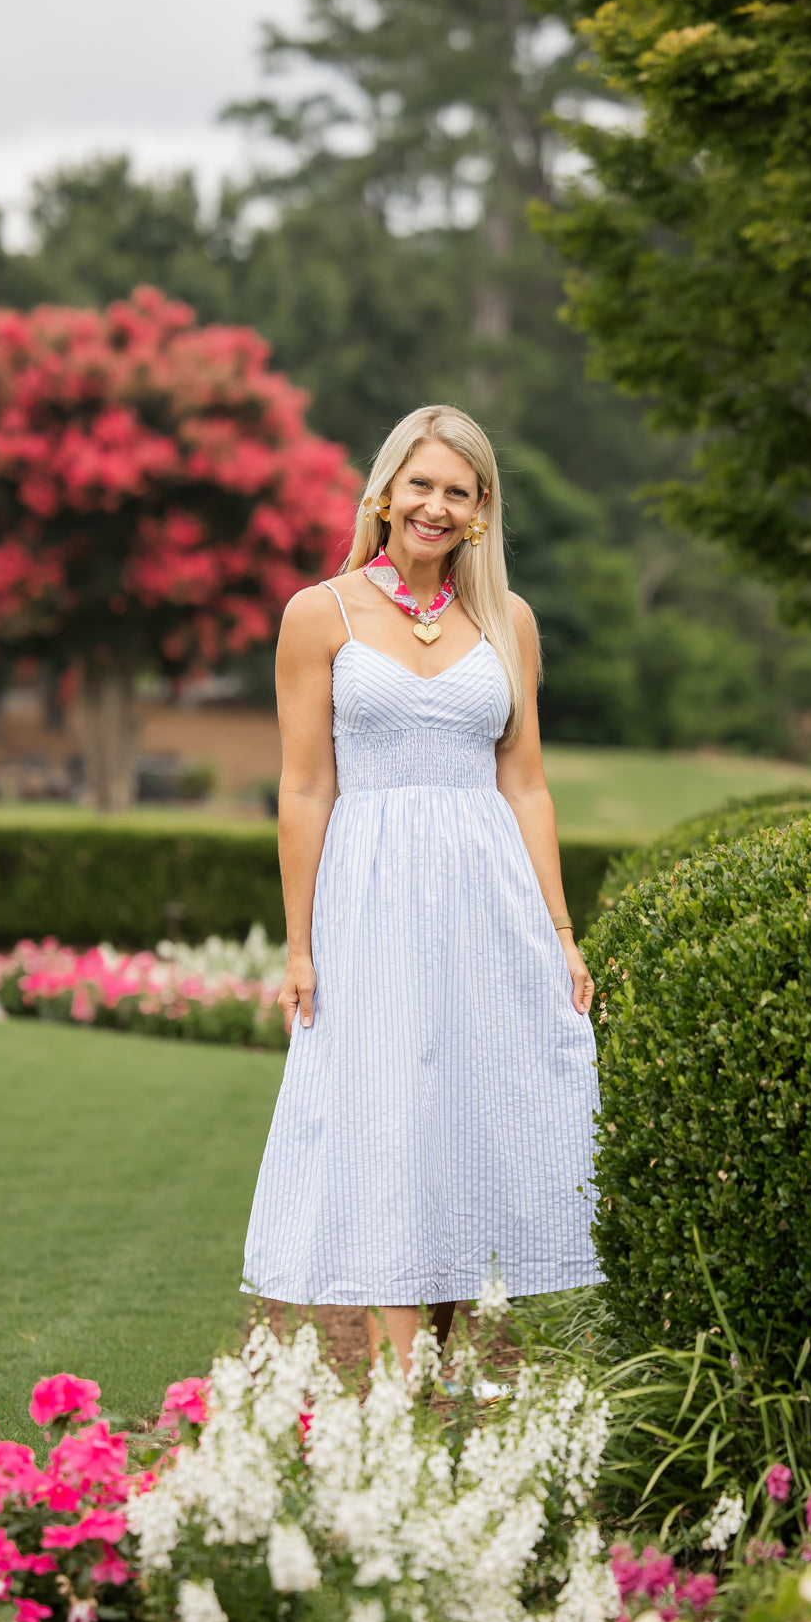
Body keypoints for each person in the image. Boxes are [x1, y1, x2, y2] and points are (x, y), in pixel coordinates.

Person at [241, 404, 603, 1371]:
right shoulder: (320, 612)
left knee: (474, 1110)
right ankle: (404, 1378)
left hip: (490, 895)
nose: (436, 506)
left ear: (481, 508)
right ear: (387, 490)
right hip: (372, 896)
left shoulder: (509, 621)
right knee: (390, 1106)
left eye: (458, 490)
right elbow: (307, 783)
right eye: (421, 484)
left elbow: (524, 781)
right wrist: (301, 943)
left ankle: (442, 1348)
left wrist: (560, 930)